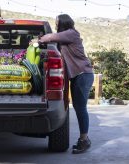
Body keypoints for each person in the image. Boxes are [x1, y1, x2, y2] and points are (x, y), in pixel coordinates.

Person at [35, 14, 94, 154]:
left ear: (63, 22)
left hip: (82, 74)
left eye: (57, 22)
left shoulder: (71, 34)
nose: (56, 24)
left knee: (80, 108)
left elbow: (50, 37)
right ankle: (84, 139)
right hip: (77, 76)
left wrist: (37, 40)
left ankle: (84, 140)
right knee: (78, 107)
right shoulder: (66, 36)